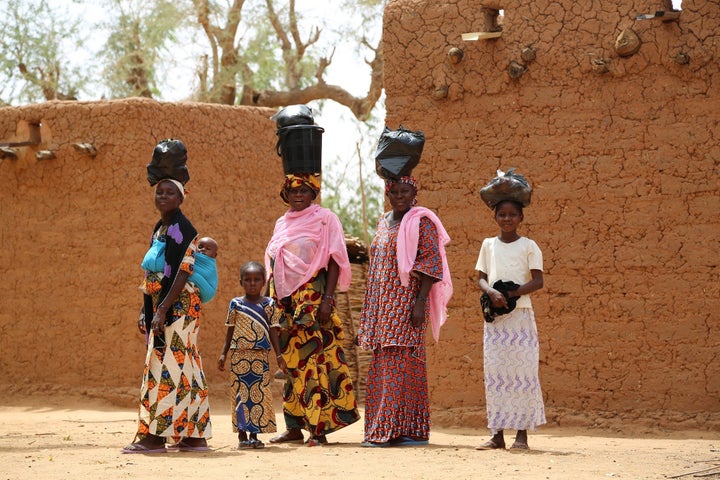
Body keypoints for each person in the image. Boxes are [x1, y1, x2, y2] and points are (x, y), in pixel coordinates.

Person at [265, 173, 360, 447]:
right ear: (285, 194)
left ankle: (318, 429)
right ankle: (293, 427)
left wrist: (328, 299)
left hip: (313, 298)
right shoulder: (281, 223)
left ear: (313, 194)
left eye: (305, 190)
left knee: (315, 362)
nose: (298, 195)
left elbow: (333, 259)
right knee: (290, 363)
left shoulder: (324, 218)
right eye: (293, 190)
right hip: (285, 301)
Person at [357, 175, 452, 447]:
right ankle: (408, 431)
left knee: (399, 363)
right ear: (388, 193)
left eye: (405, 191)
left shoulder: (422, 221)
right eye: (395, 191)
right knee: (386, 362)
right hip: (381, 304)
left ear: (414, 193)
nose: (400, 196)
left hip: (405, 304)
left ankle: (383, 432)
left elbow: (432, 264)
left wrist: (420, 303)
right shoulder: (383, 220)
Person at [123, 178, 212, 453]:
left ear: (181, 198)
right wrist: (145, 308)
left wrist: (161, 310)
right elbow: (154, 273)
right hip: (166, 305)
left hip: (179, 307)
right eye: (159, 192)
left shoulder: (182, 228)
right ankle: (195, 435)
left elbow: (183, 270)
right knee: (186, 366)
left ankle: (156, 436)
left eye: (169, 192)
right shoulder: (161, 227)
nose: (163, 196)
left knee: (166, 365)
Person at [475, 199, 545, 451]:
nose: (507, 219)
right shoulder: (488, 245)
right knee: (496, 376)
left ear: (520, 218)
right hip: (495, 321)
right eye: (502, 214)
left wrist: (513, 294)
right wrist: (492, 293)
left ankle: (522, 436)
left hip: (520, 317)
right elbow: (481, 278)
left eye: (512, 215)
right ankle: (497, 435)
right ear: (495, 217)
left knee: (522, 375)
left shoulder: (529, 246)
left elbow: (538, 281)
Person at [218, 261, 280, 449]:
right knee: (240, 395)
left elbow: (273, 331)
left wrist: (279, 355)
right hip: (239, 357)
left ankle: (254, 435)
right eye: (248, 280)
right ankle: (242, 436)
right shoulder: (236, 304)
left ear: (264, 282)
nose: (252, 283)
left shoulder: (269, 304)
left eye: (256, 280)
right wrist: (223, 353)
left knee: (258, 395)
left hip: (260, 356)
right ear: (241, 282)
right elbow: (230, 331)